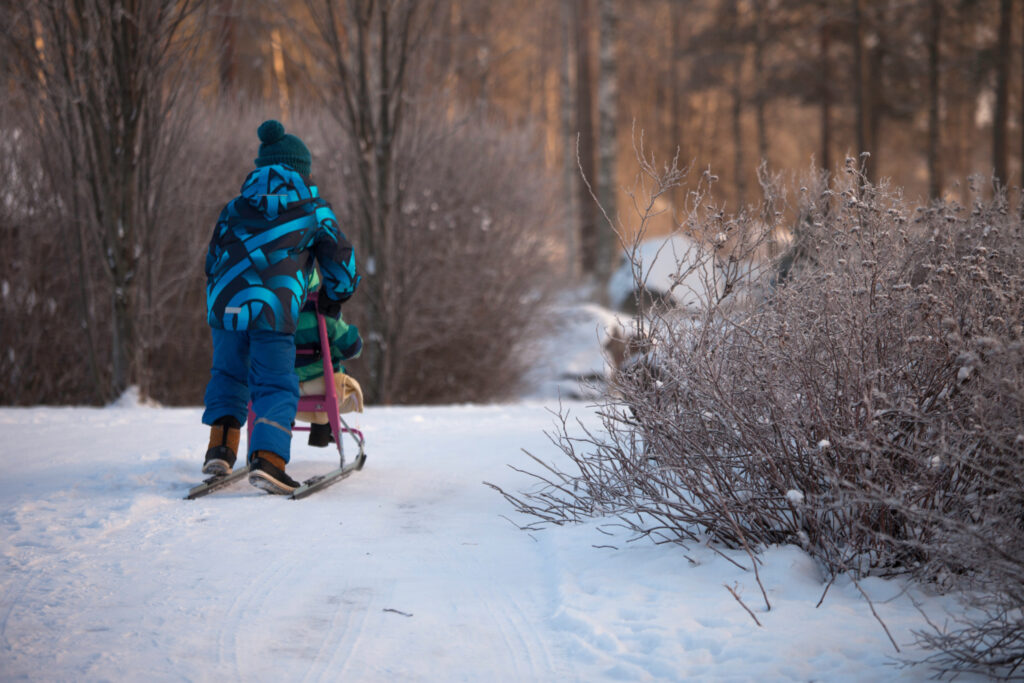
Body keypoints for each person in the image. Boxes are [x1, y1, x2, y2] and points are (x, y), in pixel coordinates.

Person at [202, 119, 358, 494]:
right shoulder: (313, 208)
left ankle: (220, 450)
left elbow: (211, 258)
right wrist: (334, 297)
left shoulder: (235, 207)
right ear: (301, 170)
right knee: (274, 381)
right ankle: (269, 461)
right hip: (274, 306)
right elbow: (342, 261)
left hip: (225, 305)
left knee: (228, 374)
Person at [293, 272, 365, 447]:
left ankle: (280, 428)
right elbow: (350, 348)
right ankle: (322, 429)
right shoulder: (322, 311)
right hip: (322, 387)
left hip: (283, 388)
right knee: (340, 379)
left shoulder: (273, 312)